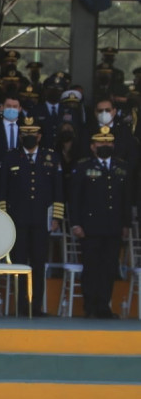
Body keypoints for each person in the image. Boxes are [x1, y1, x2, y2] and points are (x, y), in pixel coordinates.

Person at [0, 119, 63, 316]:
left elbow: (58, 190)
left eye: (33, 134)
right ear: (20, 136)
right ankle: (20, 304)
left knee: (38, 263)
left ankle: (36, 306)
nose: (29, 137)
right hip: (17, 221)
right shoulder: (11, 158)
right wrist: (4, 218)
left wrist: (56, 217)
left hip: (42, 220)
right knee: (19, 263)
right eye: (25, 134)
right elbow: (2, 191)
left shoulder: (51, 157)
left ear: (40, 136)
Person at [70, 126, 133, 319]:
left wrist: (126, 224)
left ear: (113, 145)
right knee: (91, 267)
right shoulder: (83, 166)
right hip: (90, 227)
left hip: (113, 227)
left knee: (108, 267)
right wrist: (76, 223)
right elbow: (74, 198)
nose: (105, 145)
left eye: (108, 142)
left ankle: (104, 306)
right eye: (100, 142)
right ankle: (90, 306)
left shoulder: (121, 167)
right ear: (92, 146)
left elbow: (126, 199)